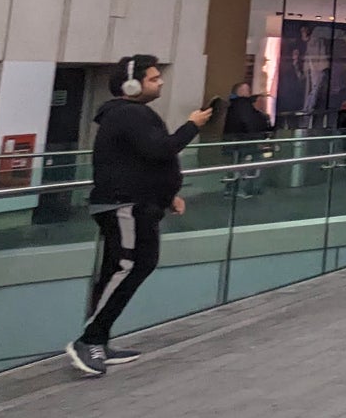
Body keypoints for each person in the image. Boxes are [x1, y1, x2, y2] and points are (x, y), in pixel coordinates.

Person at [65, 56, 213, 376]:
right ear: (131, 85)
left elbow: (143, 160)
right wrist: (193, 125)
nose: (160, 82)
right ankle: (89, 339)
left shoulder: (130, 115)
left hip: (136, 204)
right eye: (153, 78)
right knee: (128, 265)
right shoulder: (128, 114)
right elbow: (161, 150)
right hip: (124, 205)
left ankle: (99, 339)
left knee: (130, 265)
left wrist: (166, 195)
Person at [222, 81, 272, 194]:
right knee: (246, 165)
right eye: (246, 90)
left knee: (236, 165)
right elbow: (249, 122)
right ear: (240, 92)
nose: (249, 92)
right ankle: (242, 189)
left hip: (235, 141)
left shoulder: (233, 105)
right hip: (245, 141)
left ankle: (231, 189)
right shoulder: (243, 106)